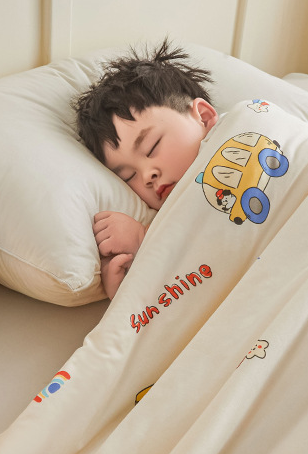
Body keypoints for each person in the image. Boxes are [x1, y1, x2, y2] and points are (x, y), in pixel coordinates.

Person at [74, 40, 219, 298]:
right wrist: (127, 292)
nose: (147, 176)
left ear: (204, 117)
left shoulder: (247, 129)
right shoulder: (171, 216)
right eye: (128, 176)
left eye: (152, 147)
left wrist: (145, 240)